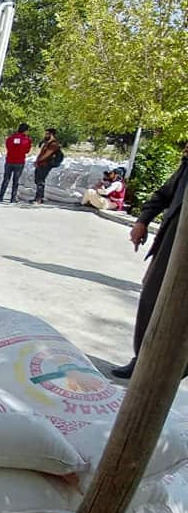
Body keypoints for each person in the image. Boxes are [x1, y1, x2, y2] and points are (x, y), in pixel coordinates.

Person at [112, 142, 188, 379]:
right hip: (171, 247)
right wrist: (142, 220)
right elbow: (165, 194)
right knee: (151, 300)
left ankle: (177, 368)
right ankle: (143, 361)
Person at [0, 123, 32, 203]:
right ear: (25, 131)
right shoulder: (27, 140)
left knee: (6, 179)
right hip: (19, 162)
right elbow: (27, 151)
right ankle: (13, 198)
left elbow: (7, 147)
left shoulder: (10, 138)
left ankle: (1, 196)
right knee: (16, 181)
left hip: (9, 161)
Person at [32, 127, 62, 204]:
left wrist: (38, 161)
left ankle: (39, 198)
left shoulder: (54, 144)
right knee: (37, 180)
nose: (45, 135)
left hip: (46, 164)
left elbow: (47, 154)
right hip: (41, 163)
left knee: (41, 181)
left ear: (51, 134)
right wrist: (37, 161)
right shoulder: (47, 142)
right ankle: (37, 197)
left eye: (47, 134)